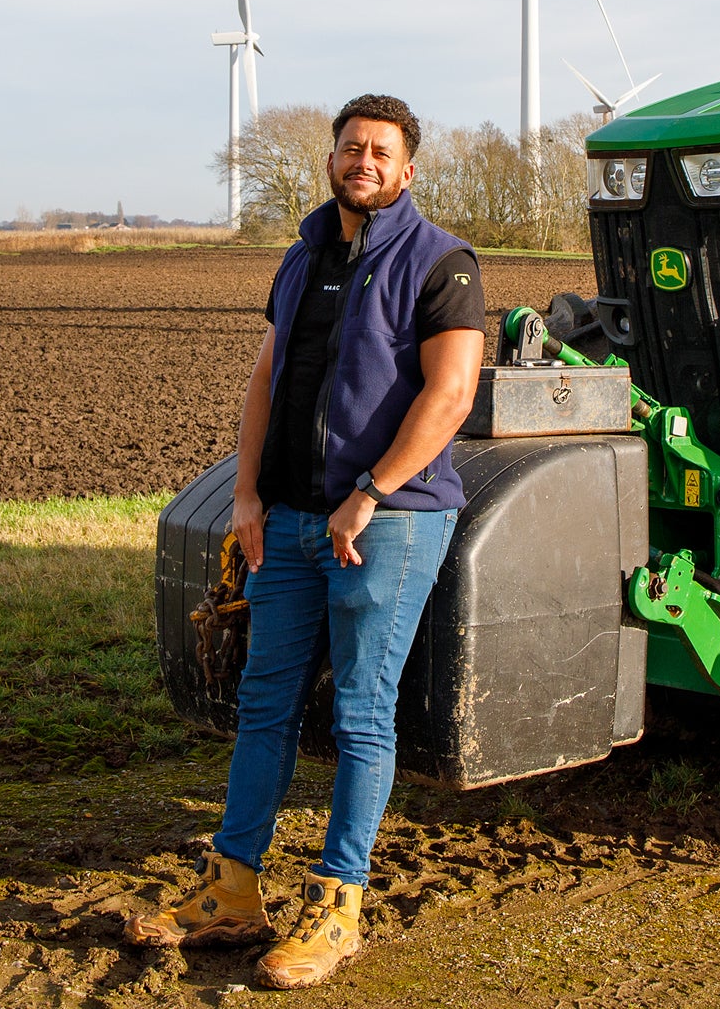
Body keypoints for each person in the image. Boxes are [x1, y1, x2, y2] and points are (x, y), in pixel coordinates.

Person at [129, 94, 485, 990]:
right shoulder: (301, 260)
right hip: (286, 521)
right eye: (350, 147)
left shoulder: (442, 261)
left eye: (381, 150)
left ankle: (338, 905)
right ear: (330, 160)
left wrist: (373, 490)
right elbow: (267, 378)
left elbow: (450, 395)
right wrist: (245, 493)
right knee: (264, 702)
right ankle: (233, 890)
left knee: (364, 712)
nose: (362, 160)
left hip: (388, 524)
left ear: (408, 170)